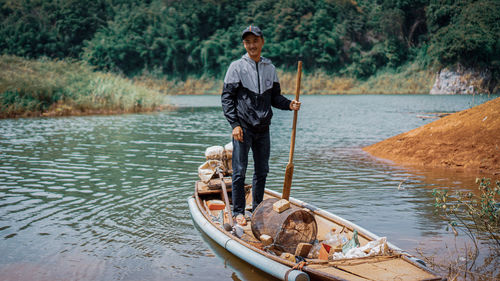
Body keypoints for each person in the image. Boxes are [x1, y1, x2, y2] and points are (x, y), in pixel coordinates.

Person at [221, 25, 301, 226]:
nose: (251, 45)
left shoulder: (270, 68)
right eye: (247, 41)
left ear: (262, 42)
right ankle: (238, 210)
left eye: (255, 41)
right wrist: (234, 124)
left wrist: (289, 104)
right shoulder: (236, 67)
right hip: (243, 128)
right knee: (239, 171)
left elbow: (275, 98)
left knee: (262, 170)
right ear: (244, 44)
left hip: (263, 128)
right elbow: (227, 98)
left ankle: (256, 208)